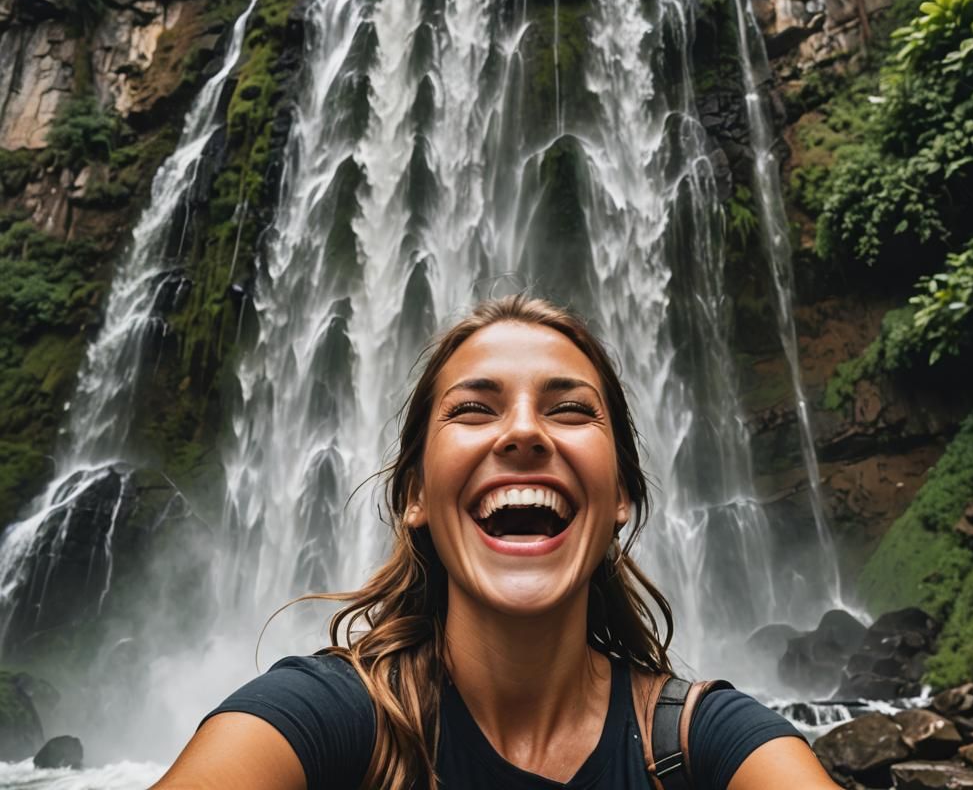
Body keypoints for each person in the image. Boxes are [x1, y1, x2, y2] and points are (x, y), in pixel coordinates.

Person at [152, 295, 839, 790]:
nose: (523, 432)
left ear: (621, 496)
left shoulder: (705, 744)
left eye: (569, 409)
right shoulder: (326, 717)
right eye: (474, 409)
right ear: (415, 495)